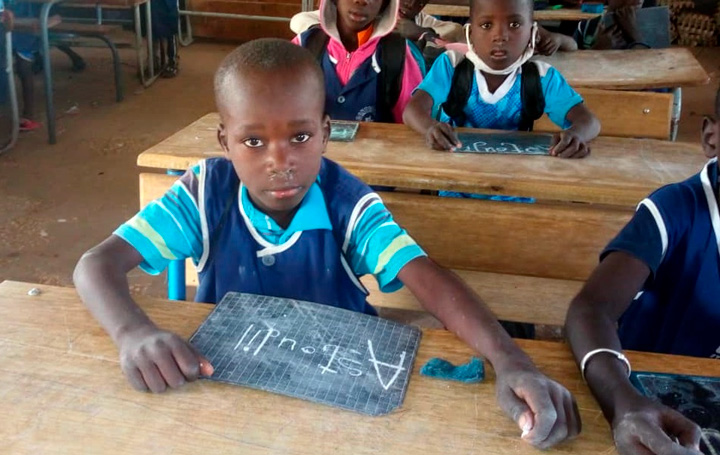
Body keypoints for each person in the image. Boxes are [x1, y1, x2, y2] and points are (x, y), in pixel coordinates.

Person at [74, 38, 581, 450]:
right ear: (224, 142)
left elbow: (427, 278)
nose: (280, 160)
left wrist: (510, 359)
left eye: (299, 137)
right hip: (230, 394)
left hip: (345, 399)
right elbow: (95, 266)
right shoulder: (204, 193)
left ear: (325, 132)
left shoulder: (347, 203)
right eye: (254, 142)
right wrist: (133, 333)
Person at [564, 86, 720, 455]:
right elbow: (591, 309)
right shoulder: (676, 210)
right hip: (652, 409)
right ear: (711, 137)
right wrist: (622, 399)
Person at [403, 0, 599, 158]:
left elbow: (589, 122)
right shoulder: (452, 66)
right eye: (486, 25)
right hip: (455, 180)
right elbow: (413, 110)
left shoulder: (541, 77)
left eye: (514, 24)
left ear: (533, 32)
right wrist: (430, 128)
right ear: (470, 33)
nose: (500, 36)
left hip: (515, 182)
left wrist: (575, 135)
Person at [291, 0, 423, 123]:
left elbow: (410, 125)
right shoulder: (305, 46)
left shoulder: (397, 54)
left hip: (376, 147)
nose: (361, 1)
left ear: (385, 4)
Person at [575, 0, 646, 50]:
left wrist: (634, 35)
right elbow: (574, 65)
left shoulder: (653, 26)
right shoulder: (586, 27)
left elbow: (653, 67)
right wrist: (598, 48)